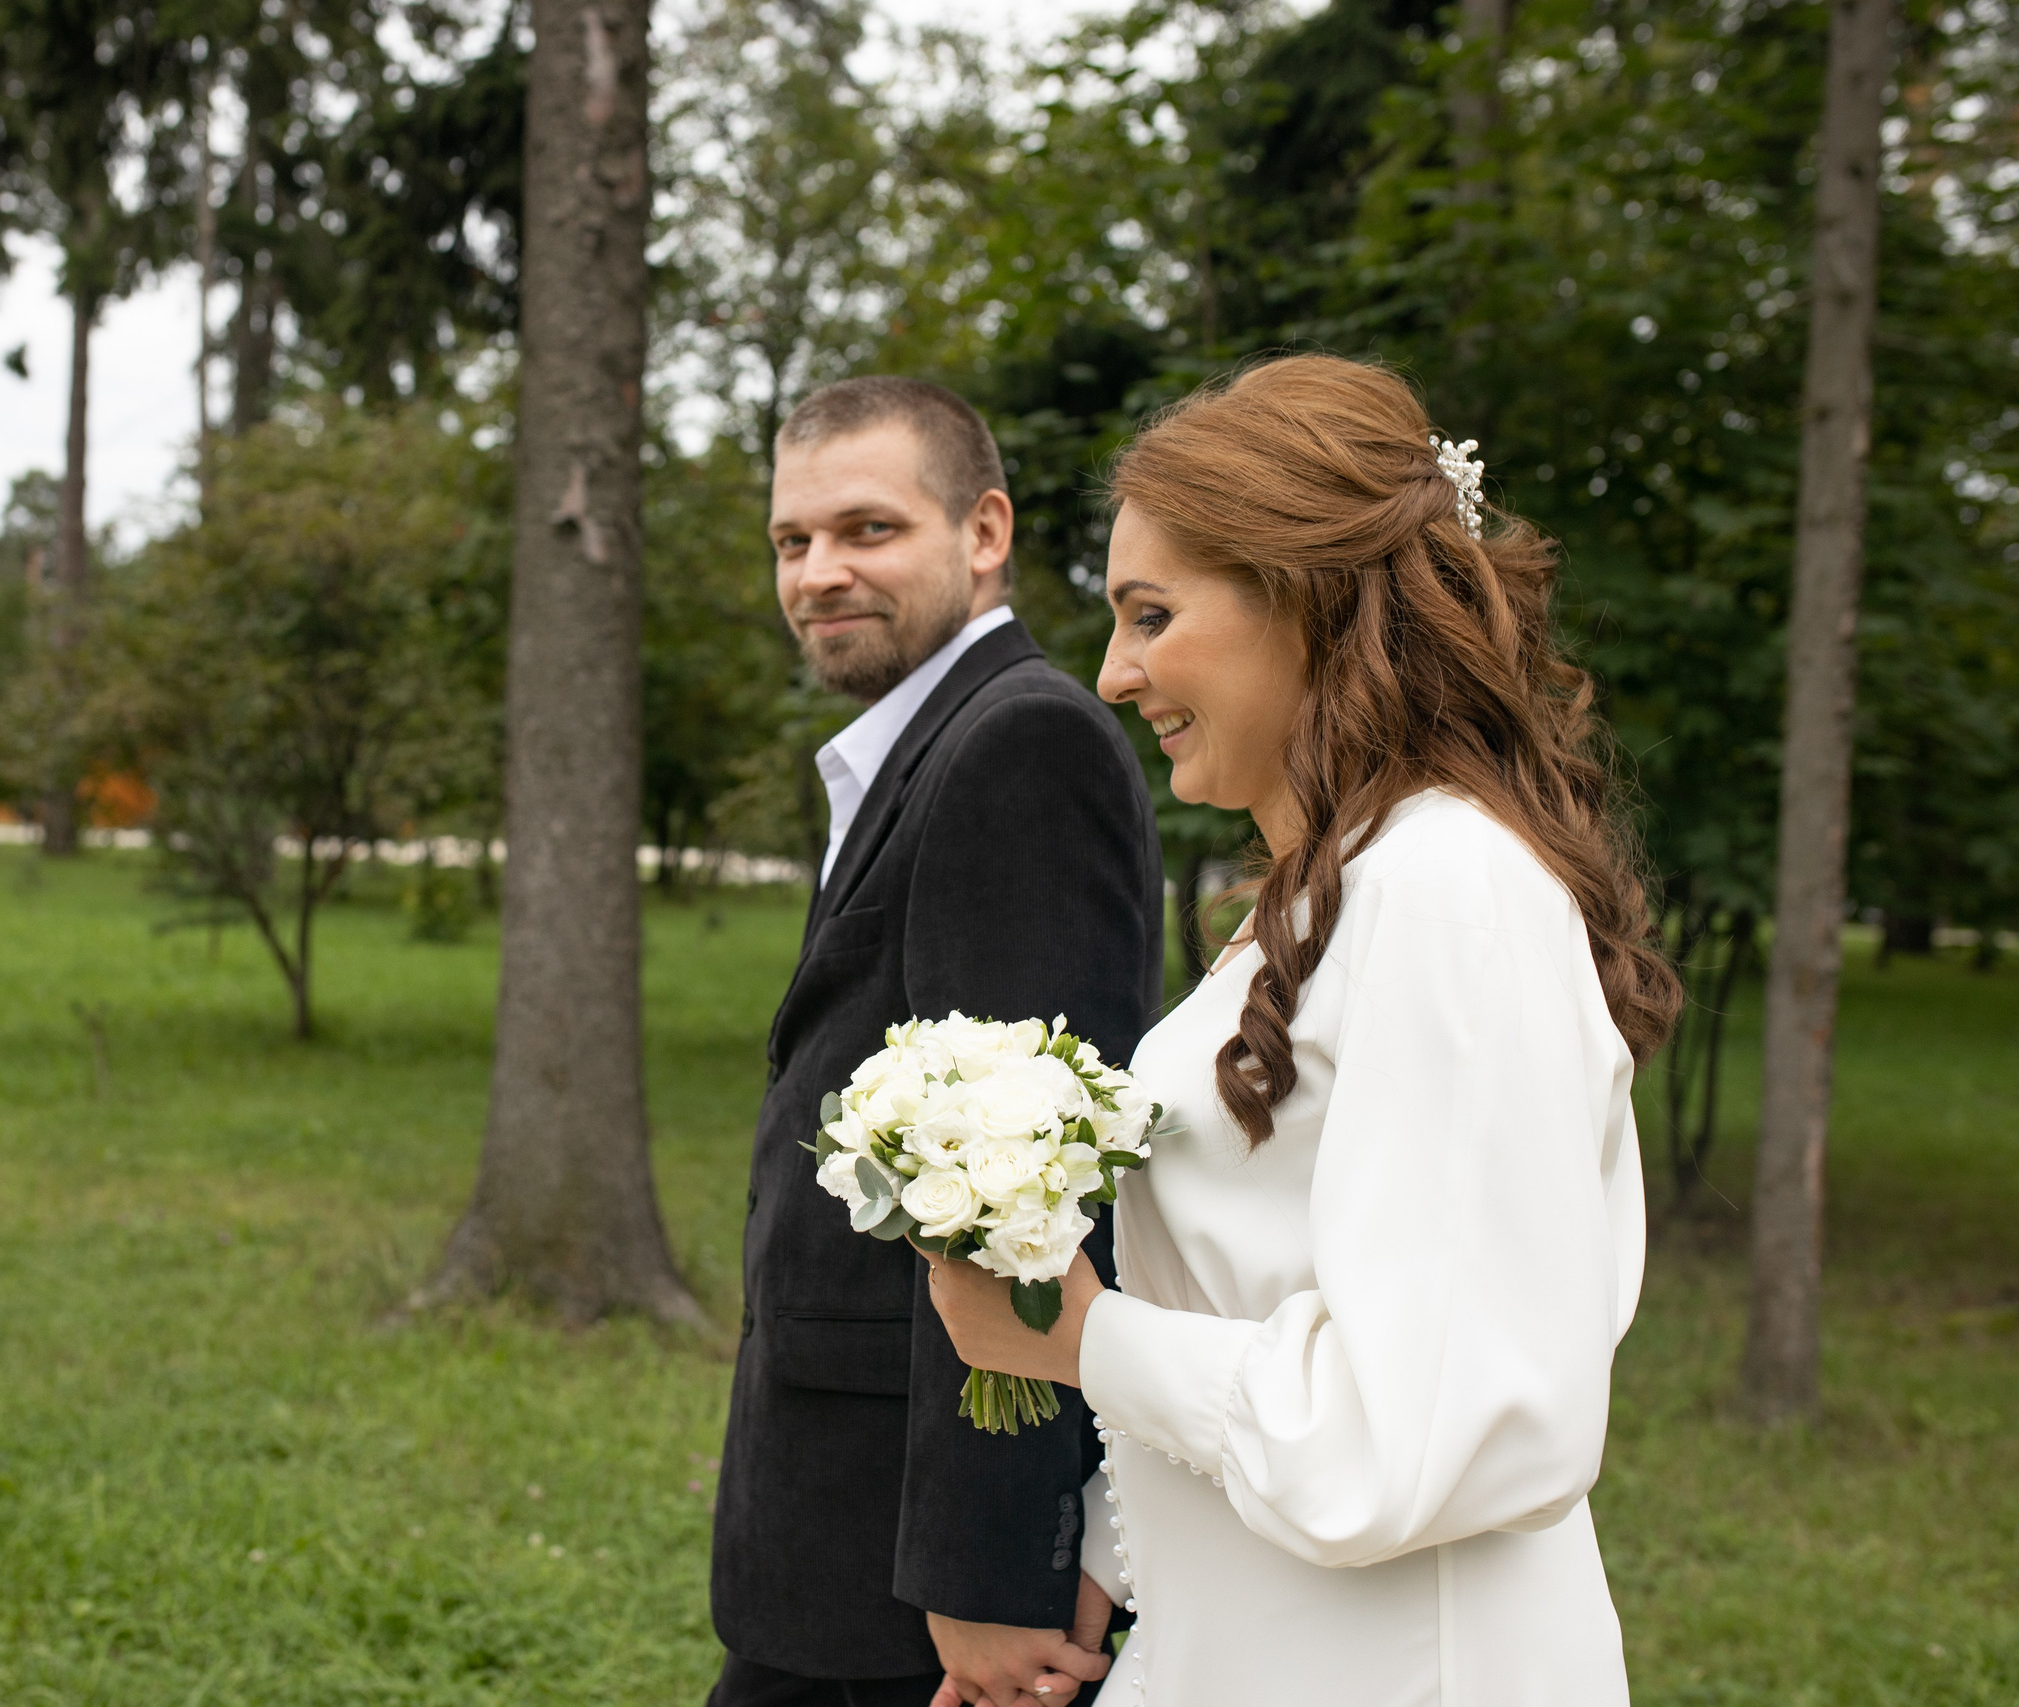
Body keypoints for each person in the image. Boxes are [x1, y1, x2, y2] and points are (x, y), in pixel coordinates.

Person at [923, 354, 1684, 1706]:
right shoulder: (1330, 893)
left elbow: (1422, 1433)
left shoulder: (1451, 890)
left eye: (1151, 615)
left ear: (1308, 599)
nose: (1112, 674)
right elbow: (1265, 1294)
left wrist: (1073, 1332)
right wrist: (1103, 1573)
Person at [709, 376, 1166, 1707]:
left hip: (908, 1594)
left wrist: (987, 1579)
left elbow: (1029, 1194)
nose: (818, 573)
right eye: (792, 542)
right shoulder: (915, 747)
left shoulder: (1020, 746)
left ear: (984, 533)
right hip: (838, 1528)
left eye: (866, 529)